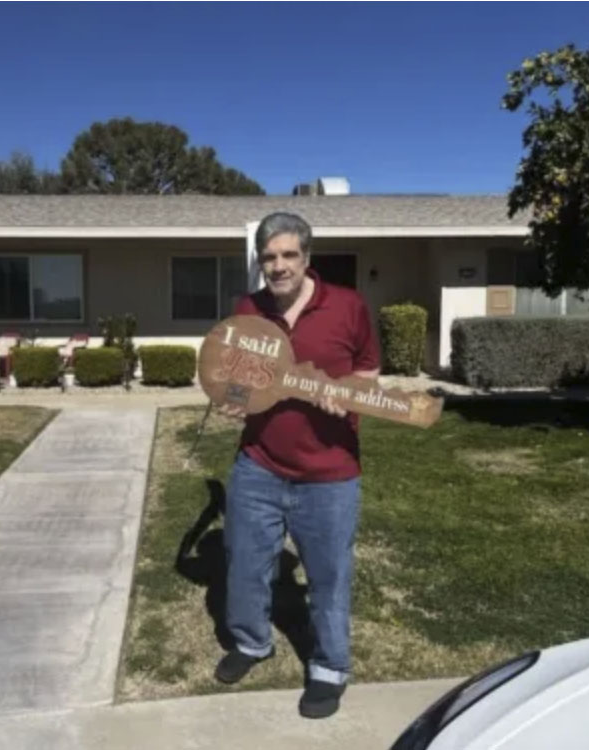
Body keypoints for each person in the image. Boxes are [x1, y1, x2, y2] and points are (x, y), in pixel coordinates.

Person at [215, 211, 380, 719]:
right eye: (269, 257)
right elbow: (239, 375)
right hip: (258, 465)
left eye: (288, 255)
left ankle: (329, 667)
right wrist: (235, 398)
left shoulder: (348, 306)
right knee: (245, 562)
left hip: (329, 474)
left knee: (329, 576)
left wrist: (348, 394)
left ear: (307, 258)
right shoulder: (249, 308)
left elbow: (370, 373)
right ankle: (251, 642)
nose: (278, 266)